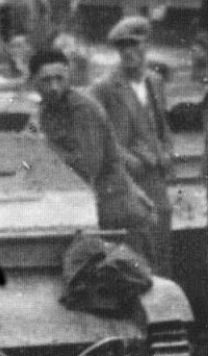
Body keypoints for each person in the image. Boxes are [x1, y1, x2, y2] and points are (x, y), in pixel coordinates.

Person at [29, 48, 156, 261]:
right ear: (33, 82)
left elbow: (87, 167)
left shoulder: (82, 109)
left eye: (59, 78)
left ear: (69, 75)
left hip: (117, 216)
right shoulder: (48, 110)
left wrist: (44, 146)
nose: (54, 87)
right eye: (46, 80)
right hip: (95, 213)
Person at [88, 16, 174, 278]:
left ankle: (164, 294)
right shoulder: (104, 87)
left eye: (134, 45)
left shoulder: (154, 82)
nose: (128, 52)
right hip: (125, 181)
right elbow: (98, 135)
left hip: (155, 177)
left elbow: (162, 124)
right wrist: (126, 159)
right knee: (135, 249)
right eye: (122, 47)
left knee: (162, 241)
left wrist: (167, 151)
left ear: (146, 45)